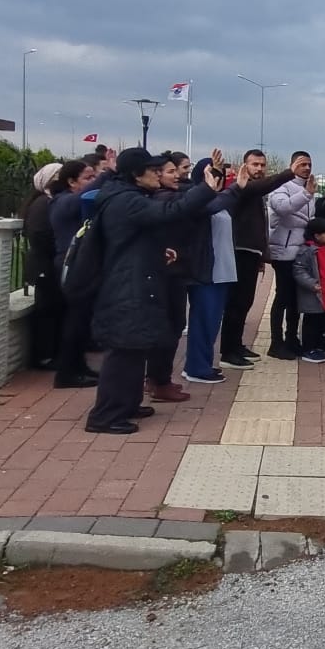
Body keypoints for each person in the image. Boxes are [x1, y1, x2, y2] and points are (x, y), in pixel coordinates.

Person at [84, 147, 231, 434]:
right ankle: (104, 416)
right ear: (136, 175)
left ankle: (126, 405)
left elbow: (136, 237)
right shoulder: (126, 200)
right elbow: (169, 211)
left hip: (134, 280)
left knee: (136, 349)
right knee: (123, 353)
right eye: (154, 170)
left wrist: (158, 252)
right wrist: (206, 189)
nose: (159, 174)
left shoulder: (128, 196)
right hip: (126, 287)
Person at [218, 149, 295, 371]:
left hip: (251, 252)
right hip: (239, 251)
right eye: (255, 165)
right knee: (236, 303)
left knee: (245, 302)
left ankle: (237, 345)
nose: (259, 169)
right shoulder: (243, 188)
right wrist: (289, 172)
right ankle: (228, 351)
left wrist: (262, 253)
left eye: (262, 165)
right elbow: (262, 187)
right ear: (245, 166)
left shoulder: (255, 191)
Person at [180, 156, 241, 385]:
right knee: (203, 320)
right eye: (211, 172)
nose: (217, 177)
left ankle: (203, 363)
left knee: (213, 321)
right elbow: (213, 205)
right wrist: (234, 188)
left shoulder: (219, 200)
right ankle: (195, 367)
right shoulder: (196, 200)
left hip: (223, 270)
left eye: (219, 173)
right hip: (208, 271)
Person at [145, 151, 195, 403]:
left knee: (173, 325)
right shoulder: (163, 198)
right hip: (167, 272)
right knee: (168, 326)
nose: (179, 175)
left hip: (175, 269)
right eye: (171, 171)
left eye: (179, 170)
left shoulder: (168, 195)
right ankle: (158, 380)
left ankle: (159, 378)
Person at [45, 158, 99, 388]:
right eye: (88, 178)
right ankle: (67, 372)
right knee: (74, 320)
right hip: (70, 264)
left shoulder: (72, 201)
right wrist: (108, 175)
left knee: (83, 320)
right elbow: (79, 201)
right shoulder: (62, 202)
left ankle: (79, 366)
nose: (93, 182)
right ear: (71, 181)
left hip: (81, 264)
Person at [22, 162, 74, 371]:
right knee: (47, 311)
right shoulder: (42, 204)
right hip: (44, 265)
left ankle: (52, 352)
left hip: (50, 263)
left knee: (55, 309)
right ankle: (43, 355)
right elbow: (39, 235)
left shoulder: (51, 202)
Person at [265, 150, 316, 360]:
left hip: (301, 253)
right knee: (283, 297)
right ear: (292, 164)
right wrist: (306, 195)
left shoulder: (309, 189)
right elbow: (283, 208)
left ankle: (292, 339)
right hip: (283, 251)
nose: (306, 168)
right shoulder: (281, 186)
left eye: (309, 164)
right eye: (302, 164)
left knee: (296, 299)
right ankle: (276, 343)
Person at [289, 216, 325, 364]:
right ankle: (309, 349)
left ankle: (319, 345)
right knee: (312, 323)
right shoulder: (307, 251)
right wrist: (311, 284)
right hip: (315, 294)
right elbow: (299, 270)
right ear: (316, 235)